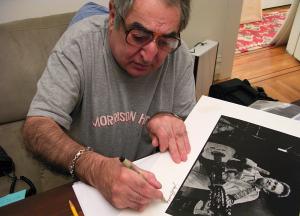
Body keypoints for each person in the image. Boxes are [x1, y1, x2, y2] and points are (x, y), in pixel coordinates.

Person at [22, 0, 196, 211]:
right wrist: (95, 168)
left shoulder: (180, 56)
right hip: (82, 188)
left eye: (165, 41)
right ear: (113, 15)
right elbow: (36, 128)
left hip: (149, 191)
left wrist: (167, 118)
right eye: (139, 36)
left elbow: (189, 129)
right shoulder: (79, 44)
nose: (150, 55)